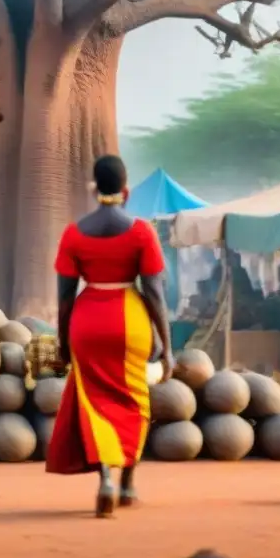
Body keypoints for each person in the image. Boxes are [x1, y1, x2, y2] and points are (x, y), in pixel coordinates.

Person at [46, 154, 174, 518]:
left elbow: (65, 297)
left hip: (87, 322)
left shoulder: (73, 233)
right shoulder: (141, 232)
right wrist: (167, 347)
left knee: (94, 403)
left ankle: (104, 479)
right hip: (129, 323)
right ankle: (128, 485)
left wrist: (62, 343)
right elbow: (154, 293)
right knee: (136, 402)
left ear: (93, 188)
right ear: (126, 190)